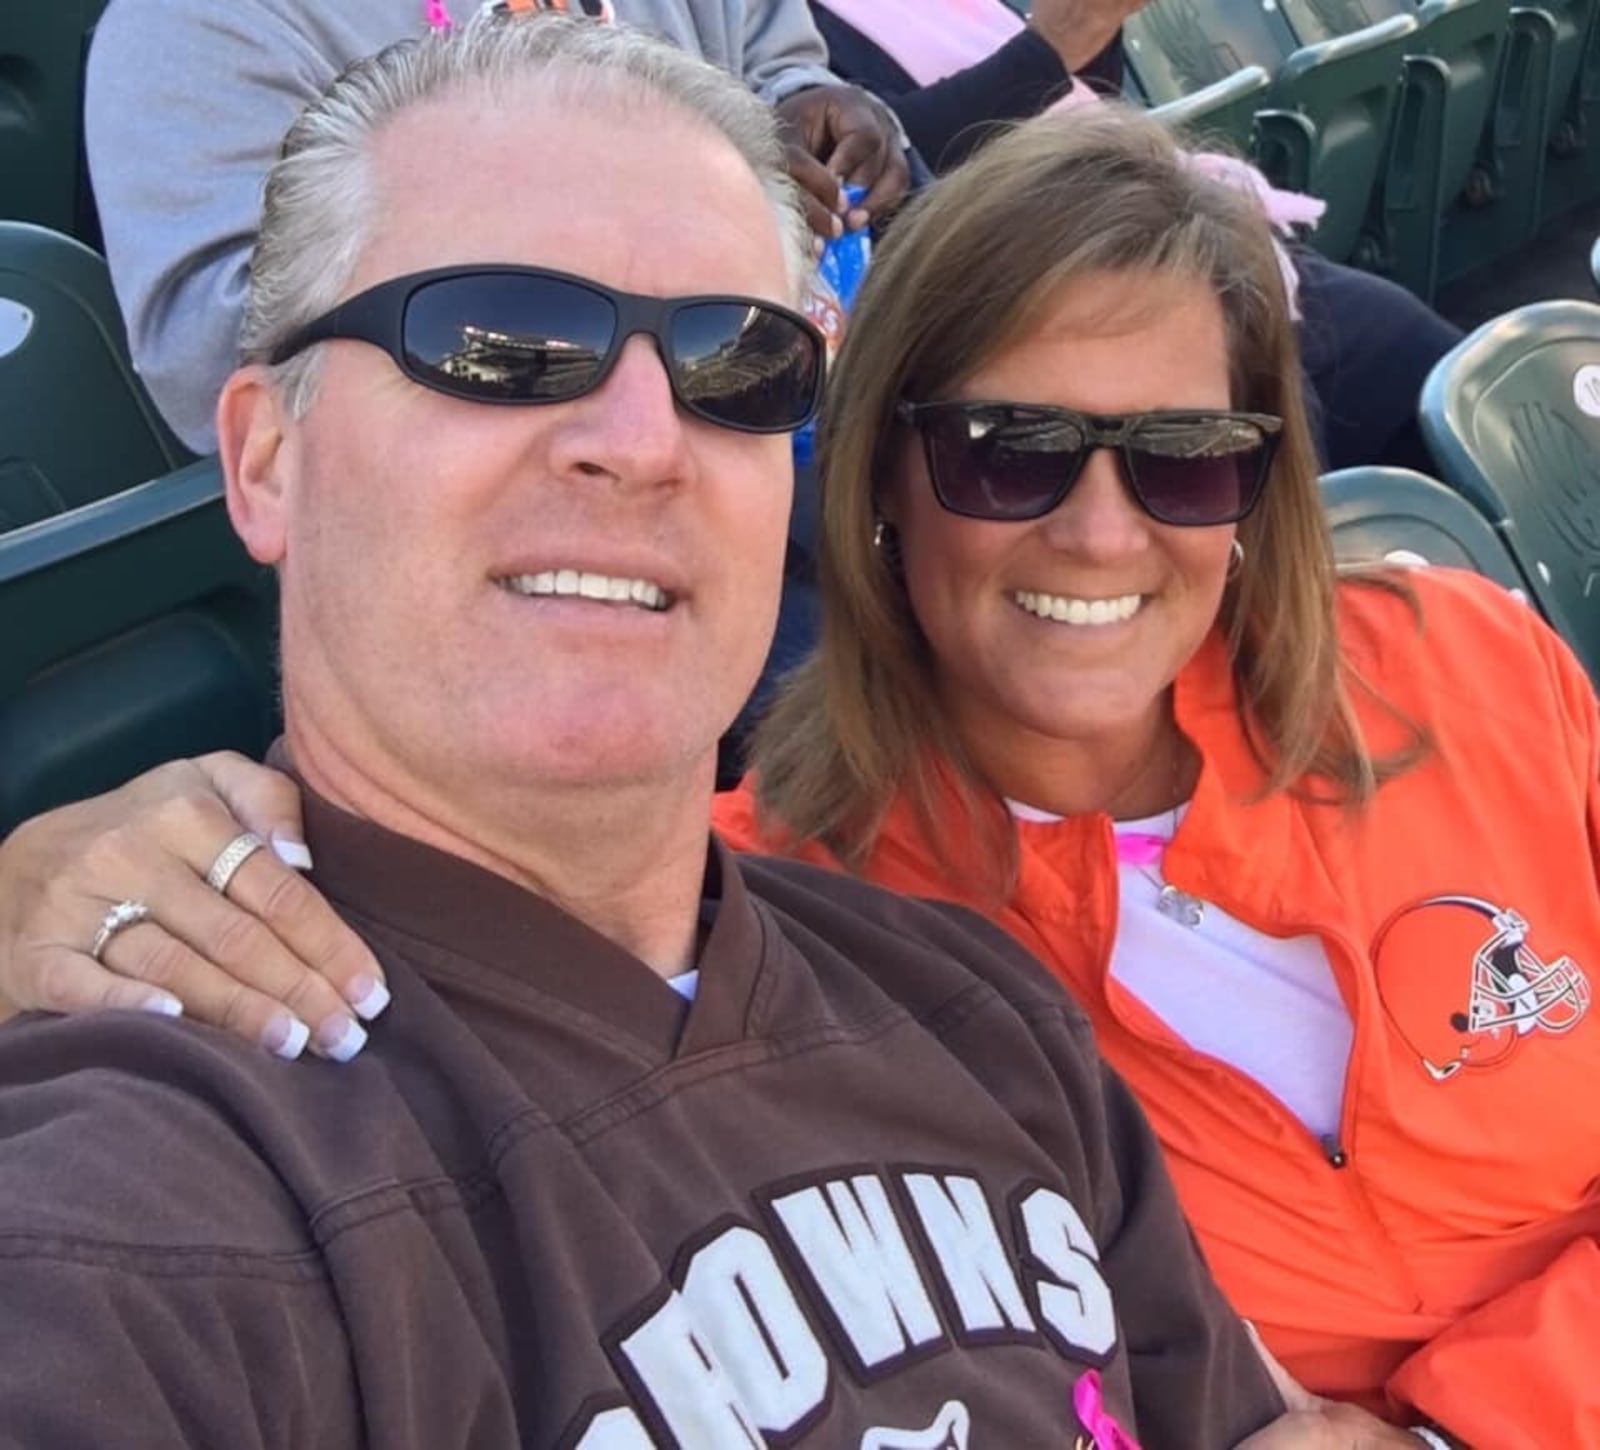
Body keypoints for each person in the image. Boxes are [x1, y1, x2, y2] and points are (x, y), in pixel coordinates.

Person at [12, 101, 1595, 1447]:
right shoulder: (832, 911)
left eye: (1186, 456)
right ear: (879, 481)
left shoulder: (1458, 662)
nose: (1104, 530)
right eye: (1010, 451)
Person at [84, 0, 908, 455]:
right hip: (485, 498)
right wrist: (598, 215)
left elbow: (779, 61)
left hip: (768, 432)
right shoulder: (187, 21)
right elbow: (216, 346)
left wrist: (814, 106)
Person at [806, 0, 1465, 476]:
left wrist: (1090, 29)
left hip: (1138, 220)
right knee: (1280, 429)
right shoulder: (784, 31)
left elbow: (1082, 104)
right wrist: (1056, 39)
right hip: (1042, 289)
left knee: (1422, 360)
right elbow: (895, 175)